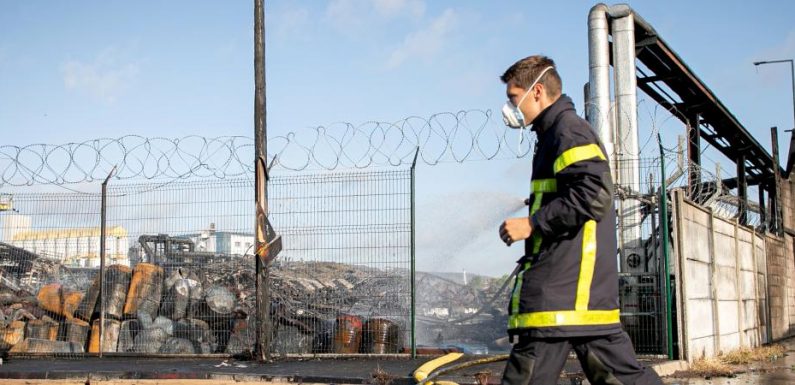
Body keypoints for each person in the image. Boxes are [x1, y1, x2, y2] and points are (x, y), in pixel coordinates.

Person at [497, 55, 663, 385]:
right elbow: (578, 193)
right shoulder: (553, 134)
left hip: (562, 292)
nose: (510, 108)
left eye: (513, 98)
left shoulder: (567, 131)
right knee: (622, 378)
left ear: (537, 92)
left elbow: (595, 192)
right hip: (577, 296)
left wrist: (532, 223)